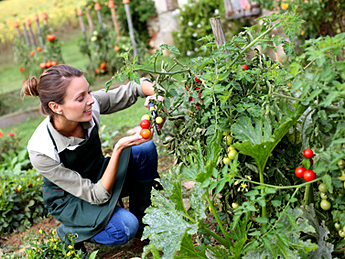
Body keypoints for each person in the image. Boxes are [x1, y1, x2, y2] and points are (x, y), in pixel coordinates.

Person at [22, 64, 162, 250]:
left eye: (88, 92)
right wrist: (119, 147)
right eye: (81, 98)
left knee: (144, 149)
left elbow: (134, 89)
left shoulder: (89, 106)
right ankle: (68, 233)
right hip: (71, 198)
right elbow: (97, 195)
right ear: (56, 107)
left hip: (99, 175)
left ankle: (144, 230)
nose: (91, 100)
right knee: (124, 227)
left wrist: (156, 95)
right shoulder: (41, 149)